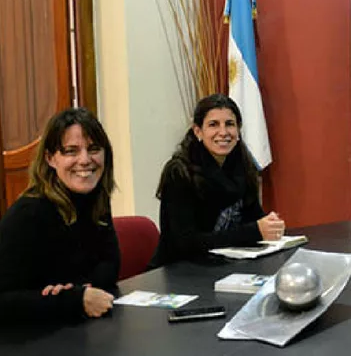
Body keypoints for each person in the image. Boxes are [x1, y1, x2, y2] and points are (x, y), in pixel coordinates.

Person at [0, 108, 119, 323]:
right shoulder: (27, 214)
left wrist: (80, 289)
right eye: (71, 151)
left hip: (81, 327)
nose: (85, 160)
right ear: (50, 158)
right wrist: (73, 299)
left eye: (93, 149)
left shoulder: (96, 199)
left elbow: (110, 266)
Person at [149, 94, 285, 267]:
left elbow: (254, 218)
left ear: (238, 130)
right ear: (198, 131)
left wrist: (270, 224)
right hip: (180, 270)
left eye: (229, 124)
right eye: (213, 124)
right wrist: (254, 231)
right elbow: (185, 243)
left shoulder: (243, 165)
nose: (223, 132)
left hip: (225, 265)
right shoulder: (179, 172)